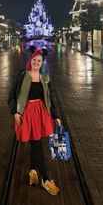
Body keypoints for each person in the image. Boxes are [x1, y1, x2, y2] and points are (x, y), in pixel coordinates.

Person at [7, 46, 61, 196]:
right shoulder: (22, 75)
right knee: (36, 144)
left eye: (39, 60)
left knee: (36, 142)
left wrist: (56, 115)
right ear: (30, 61)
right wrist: (14, 112)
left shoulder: (45, 78)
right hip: (26, 113)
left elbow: (51, 97)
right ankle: (45, 178)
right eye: (34, 60)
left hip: (41, 112)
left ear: (42, 62)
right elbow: (11, 95)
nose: (36, 62)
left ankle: (33, 171)